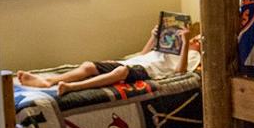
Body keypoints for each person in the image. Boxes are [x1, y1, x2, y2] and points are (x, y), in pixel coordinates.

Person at [17, 26, 200, 96]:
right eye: (194, 37)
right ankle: (48, 81)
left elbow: (180, 72)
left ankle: (72, 87)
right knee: (89, 66)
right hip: (133, 63)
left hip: (148, 72)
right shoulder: (170, 46)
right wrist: (153, 37)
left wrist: (185, 44)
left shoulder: (193, 56)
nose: (194, 39)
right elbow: (143, 54)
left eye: (198, 40)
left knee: (120, 73)